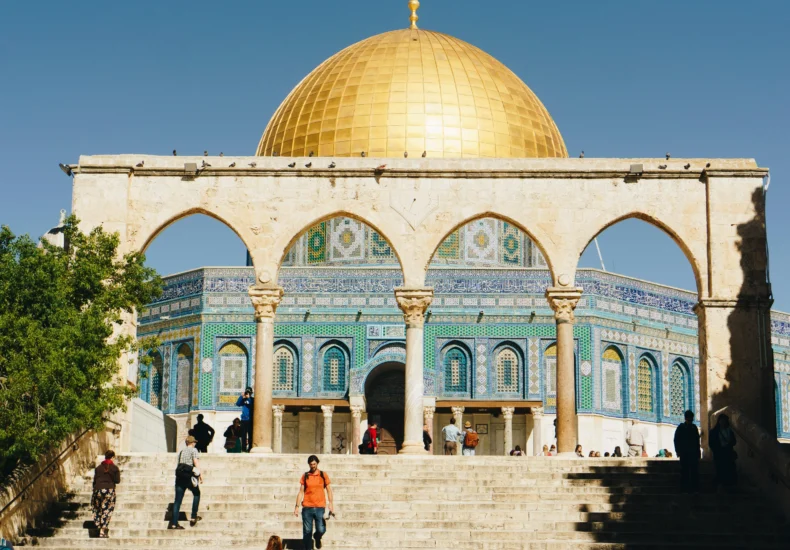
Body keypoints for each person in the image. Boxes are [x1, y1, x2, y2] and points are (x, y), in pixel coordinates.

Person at [294, 455, 334, 550]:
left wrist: (331, 503)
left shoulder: (323, 475)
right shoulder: (305, 476)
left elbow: (329, 490)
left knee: (321, 529)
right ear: (309, 464)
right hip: (307, 507)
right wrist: (296, 506)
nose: (313, 466)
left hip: (320, 507)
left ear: (317, 463)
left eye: (314, 464)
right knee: (307, 532)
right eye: (311, 464)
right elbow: (301, 491)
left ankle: (317, 537)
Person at [169, 436, 202, 529]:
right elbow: (196, 462)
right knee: (196, 493)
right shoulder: (194, 450)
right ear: (192, 443)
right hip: (189, 477)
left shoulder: (181, 452)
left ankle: (174, 523)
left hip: (180, 477)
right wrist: (200, 474)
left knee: (177, 501)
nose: (195, 443)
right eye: (194, 442)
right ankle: (193, 516)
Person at [92, 450, 120, 538]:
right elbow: (117, 481)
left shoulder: (98, 468)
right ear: (112, 457)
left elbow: (94, 481)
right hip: (109, 490)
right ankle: (102, 531)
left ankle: (98, 525)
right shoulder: (114, 468)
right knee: (107, 510)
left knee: (97, 509)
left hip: (98, 490)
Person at [709, 413, 738, 489]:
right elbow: (711, 443)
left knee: (729, 470)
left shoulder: (730, 431)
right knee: (720, 470)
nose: (723, 422)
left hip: (728, 453)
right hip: (719, 454)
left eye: (724, 421)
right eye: (722, 420)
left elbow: (734, 441)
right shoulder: (714, 432)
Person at [236, 387, 254, 452]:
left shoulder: (252, 399)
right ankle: (243, 448)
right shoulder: (243, 400)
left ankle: (250, 448)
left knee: (250, 435)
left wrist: (248, 398)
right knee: (243, 435)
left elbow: (251, 405)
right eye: (247, 392)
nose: (247, 394)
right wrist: (241, 396)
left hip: (250, 420)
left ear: (251, 393)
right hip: (244, 420)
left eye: (249, 393)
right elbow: (238, 404)